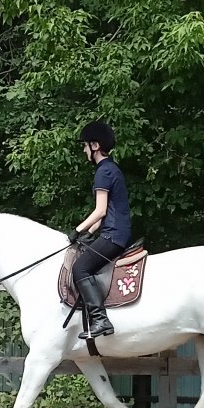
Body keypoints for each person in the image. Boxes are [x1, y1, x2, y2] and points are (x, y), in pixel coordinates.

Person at [69, 120, 131, 339]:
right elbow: (107, 213)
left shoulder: (103, 172)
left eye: (85, 146)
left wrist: (77, 230)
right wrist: (90, 233)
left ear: (95, 145)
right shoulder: (112, 169)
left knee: (80, 269)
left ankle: (100, 319)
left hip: (113, 235)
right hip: (116, 232)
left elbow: (100, 210)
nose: (84, 150)